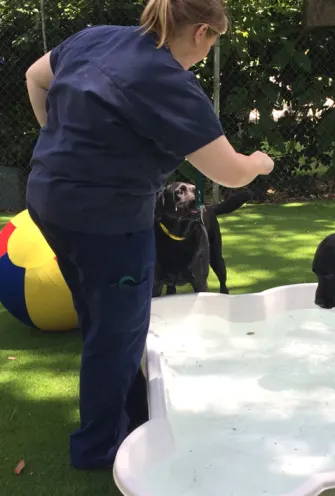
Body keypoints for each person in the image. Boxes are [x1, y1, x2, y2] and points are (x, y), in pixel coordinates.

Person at [24, 0, 274, 470]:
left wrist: (58, 143)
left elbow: (35, 77)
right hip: (105, 220)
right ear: (202, 33)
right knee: (118, 332)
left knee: (101, 316)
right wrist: (261, 162)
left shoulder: (97, 37)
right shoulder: (169, 83)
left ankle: (134, 408)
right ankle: (100, 448)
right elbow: (232, 173)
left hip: (47, 198)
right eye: (214, 41)